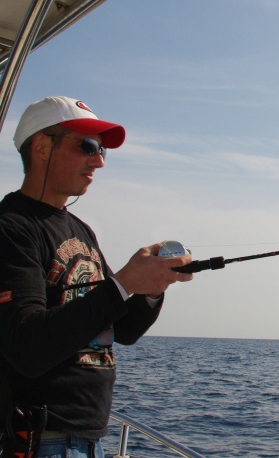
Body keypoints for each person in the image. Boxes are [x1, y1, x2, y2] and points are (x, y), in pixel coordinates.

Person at [0, 96, 193, 458]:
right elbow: (26, 347)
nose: (99, 161)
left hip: (89, 440)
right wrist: (124, 284)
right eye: (87, 146)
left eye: (102, 149)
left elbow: (124, 331)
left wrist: (153, 286)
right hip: (42, 442)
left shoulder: (81, 230)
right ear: (41, 146)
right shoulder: (11, 228)